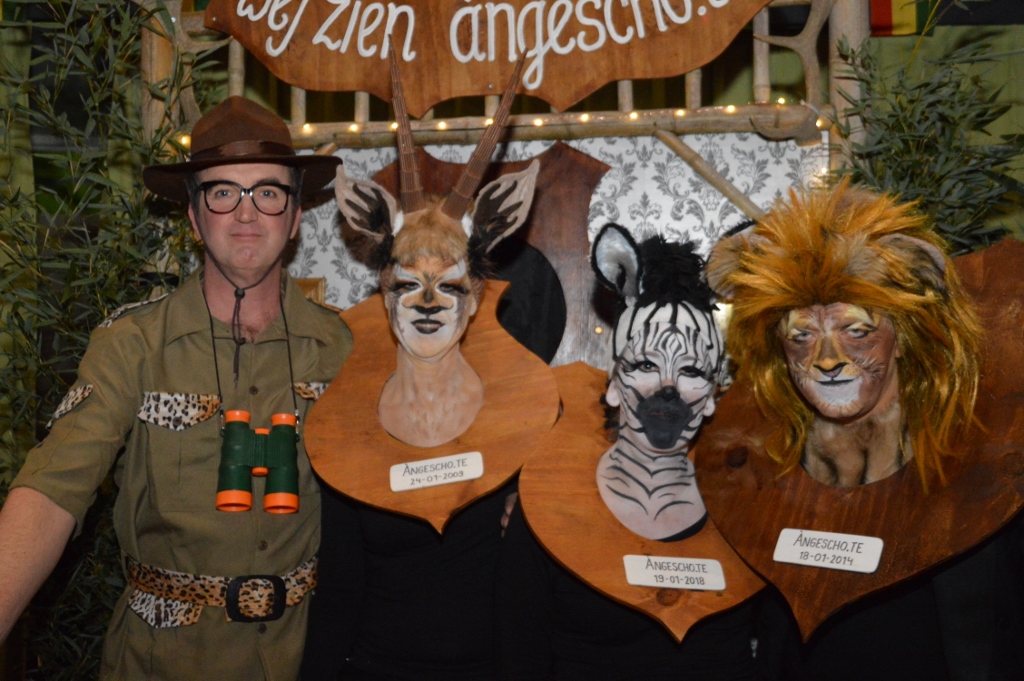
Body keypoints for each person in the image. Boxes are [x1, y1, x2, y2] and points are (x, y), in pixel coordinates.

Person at [0, 96, 352, 679]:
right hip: (162, 662)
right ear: (193, 216)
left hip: (304, 656)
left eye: (268, 192)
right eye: (222, 192)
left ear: (294, 217)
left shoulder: (345, 347)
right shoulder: (132, 345)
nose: (246, 213)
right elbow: (51, 493)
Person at [706, 181, 1024, 679]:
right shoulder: (761, 473)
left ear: (902, 338)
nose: (827, 360)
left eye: (856, 331)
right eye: (802, 336)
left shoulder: (983, 470)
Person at [496, 225, 772, 681]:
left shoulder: (751, 508)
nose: (667, 388)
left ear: (711, 397)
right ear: (613, 387)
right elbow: (519, 657)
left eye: (691, 371)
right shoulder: (549, 507)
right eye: (645, 364)